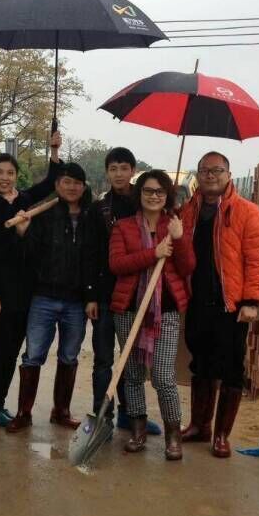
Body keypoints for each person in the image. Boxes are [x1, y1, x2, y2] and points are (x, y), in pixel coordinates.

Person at [179, 151, 259, 457]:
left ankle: (221, 435)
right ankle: (199, 426)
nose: (211, 175)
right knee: (200, 364)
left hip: (231, 305)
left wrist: (251, 301)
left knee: (230, 369)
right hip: (197, 302)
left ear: (228, 175)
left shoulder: (246, 212)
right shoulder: (188, 211)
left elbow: (256, 260)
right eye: (205, 170)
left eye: (217, 170)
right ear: (198, 175)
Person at [0, 132, 62, 427]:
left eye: (10, 173)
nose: (5, 178)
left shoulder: (24, 199)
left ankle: (0, 403)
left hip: (27, 290)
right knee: (1, 348)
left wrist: (53, 151)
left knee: (14, 350)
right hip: (1, 291)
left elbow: (50, 184)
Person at [108, 170, 194, 459]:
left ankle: (173, 435)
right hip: (129, 310)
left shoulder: (175, 225)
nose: (154, 196)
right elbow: (117, 264)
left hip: (165, 312)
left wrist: (179, 240)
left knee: (163, 376)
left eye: (159, 191)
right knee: (132, 374)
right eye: (148, 190)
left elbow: (187, 267)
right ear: (139, 194)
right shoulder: (123, 227)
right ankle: (138, 430)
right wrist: (153, 253)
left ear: (167, 195)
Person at [7, 162, 93, 432]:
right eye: (66, 181)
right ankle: (24, 412)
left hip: (76, 301)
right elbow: (27, 257)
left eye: (77, 182)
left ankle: (61, 411)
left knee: (69, 355)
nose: (72, 187)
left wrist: (91, 296)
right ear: (57, 185)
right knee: (32, 355)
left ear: (83, 187)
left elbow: (94, 260)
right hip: (43, 297)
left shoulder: (90, 217)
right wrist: (22, 233)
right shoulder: (43, 214)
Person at [83, 147, 161, 437]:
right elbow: (90, 254)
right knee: (103, 360)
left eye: (124, 168)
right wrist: (91, 296)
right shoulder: (98, 209)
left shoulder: (145, 205)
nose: (118, 174)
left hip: (137, 295)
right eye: (113, 168)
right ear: (107, 172)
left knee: (132, 361)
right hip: (105, 296)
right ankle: (103, 417)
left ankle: (131, 414)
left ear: (133, 170)